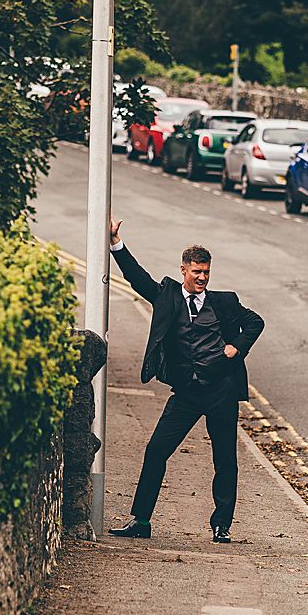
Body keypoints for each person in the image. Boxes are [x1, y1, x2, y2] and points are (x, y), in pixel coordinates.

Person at [106, 217, 266, 543]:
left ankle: (221, 526)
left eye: (206, 272)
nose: (202, 278)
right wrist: (115, 243)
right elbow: (137, 279)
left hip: (221, 390)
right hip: (187, 393)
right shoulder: (167, 296)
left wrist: (237, 347)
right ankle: (141, 521)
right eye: (197, 272)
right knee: (155, 451)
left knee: (225, 460)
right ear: (184, 270)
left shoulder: (225, 302)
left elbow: (256, 322)